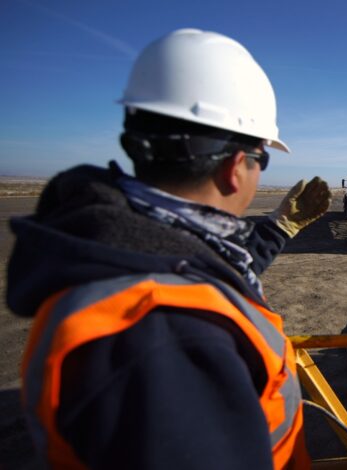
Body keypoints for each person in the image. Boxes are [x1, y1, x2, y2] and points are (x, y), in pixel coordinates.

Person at [7, 29, 330, 469]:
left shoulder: (121, 237)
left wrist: (279, 228)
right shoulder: (168, 336)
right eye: (262, 158)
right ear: (237, 167)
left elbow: (202, 265)